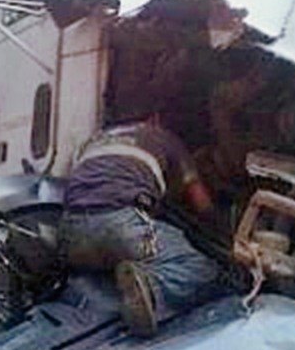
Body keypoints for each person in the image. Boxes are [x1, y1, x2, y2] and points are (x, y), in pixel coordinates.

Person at [61, 117, 221, 337]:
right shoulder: (165, 138)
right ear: (155, 119)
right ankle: (151, 289)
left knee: (108, 266)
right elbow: (201, 202)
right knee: (200, 267)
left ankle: (125, 278)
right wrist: (222, 231)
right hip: (120, 225)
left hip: (70, 231)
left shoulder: (95, 140)